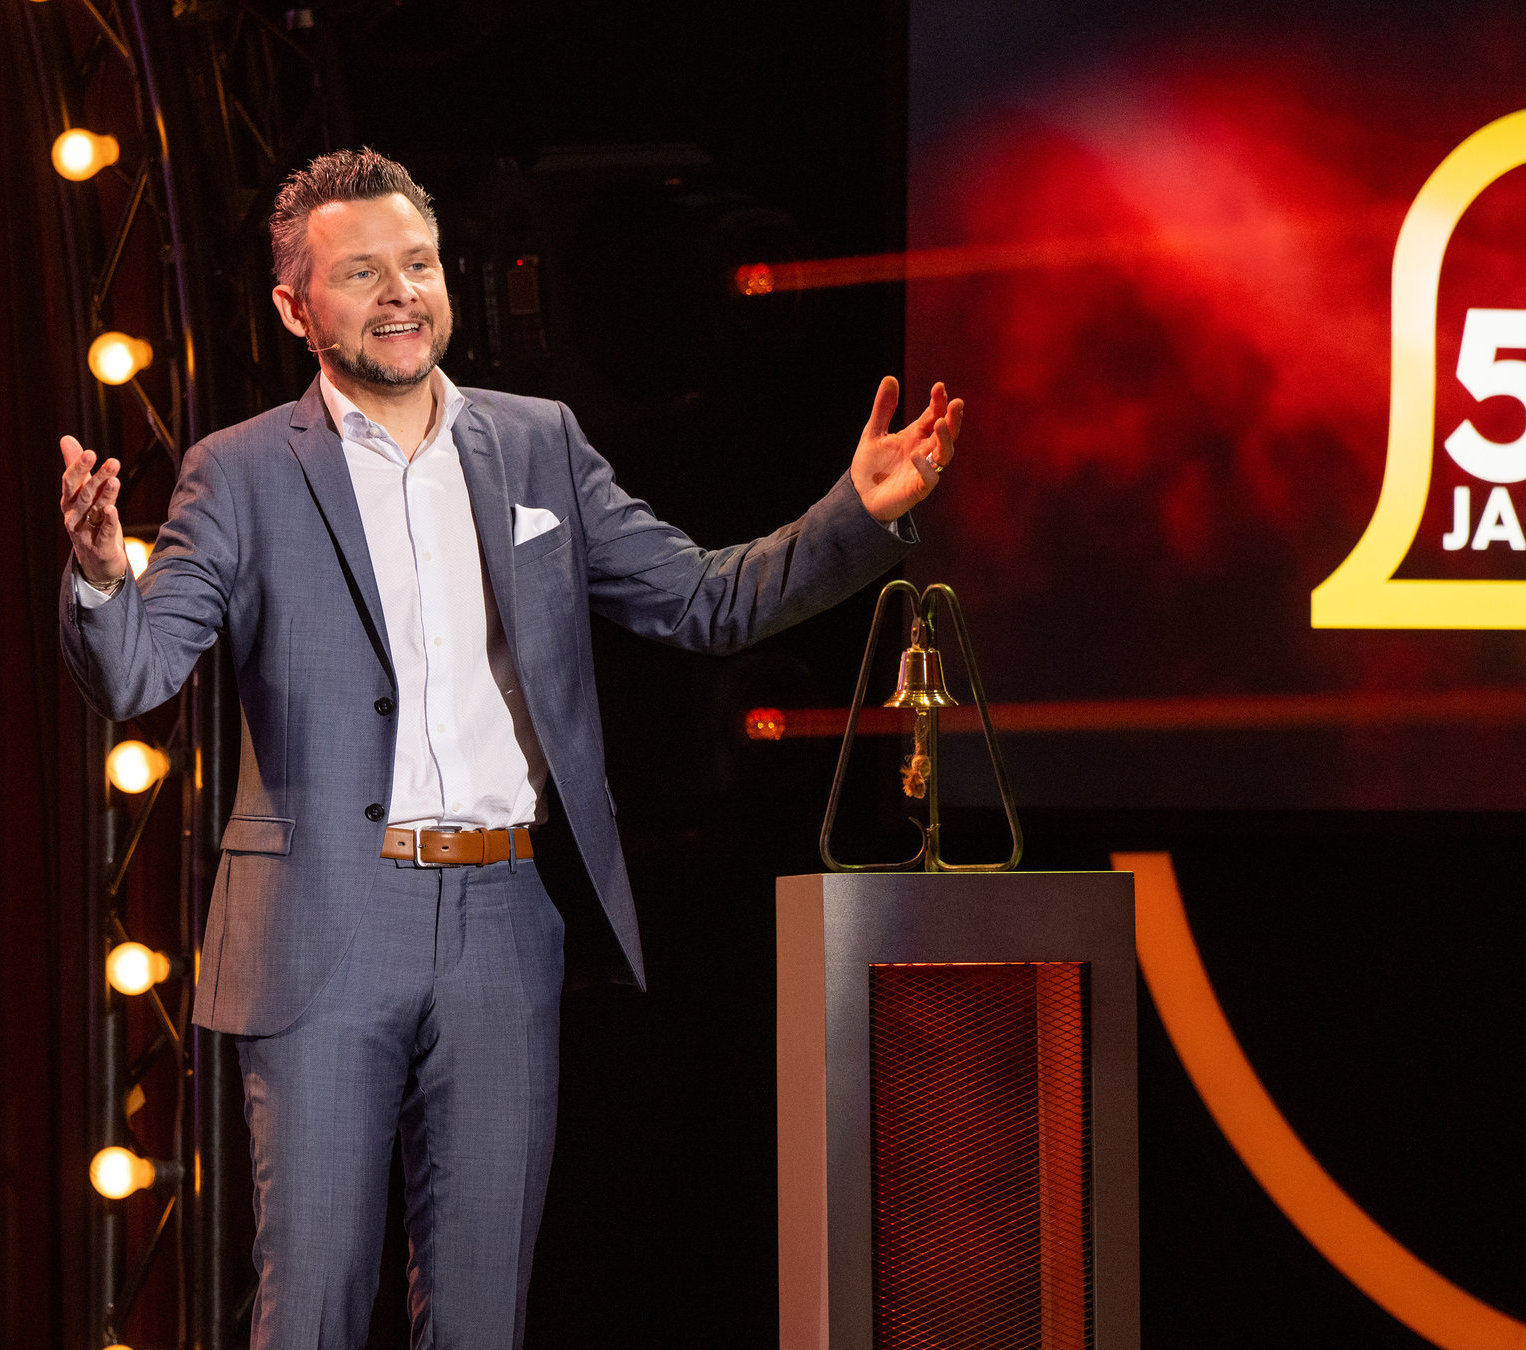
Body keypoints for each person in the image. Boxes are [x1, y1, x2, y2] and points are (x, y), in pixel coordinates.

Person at [56, 148, 960, 1350]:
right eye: (361, 272)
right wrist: (98, 573)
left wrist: (858, 512)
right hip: (324, 923)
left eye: (418, 264)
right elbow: (136, 673)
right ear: (294, 307)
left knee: (482, 1311)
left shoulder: (539, 444)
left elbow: (702, 601)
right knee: (312, 1304)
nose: (400, 293)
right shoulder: (241, 471)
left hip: (503, 919)